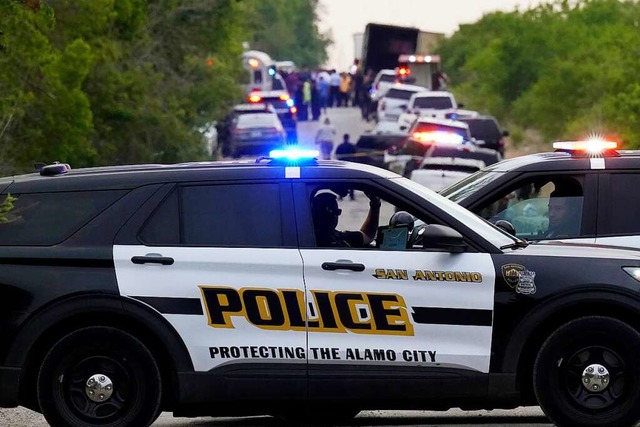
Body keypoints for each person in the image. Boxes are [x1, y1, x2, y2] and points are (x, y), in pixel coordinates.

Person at [311, 191, 380, 247]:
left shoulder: (337, 235)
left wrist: (375, 205)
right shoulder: (317, 240)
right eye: (331, 212)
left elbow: (367, 236)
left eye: (338, 212)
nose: (335, 216)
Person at [335, 134, 357, 200]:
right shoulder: (351, 146)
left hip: (342, 166)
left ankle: (341, 196)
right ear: (348, 138)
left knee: (341, 181)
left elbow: (337, 155)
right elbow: (355, 155)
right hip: (350, 166)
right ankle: (352, 196)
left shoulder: (340, 146)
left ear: (343, 138)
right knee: (351, 182)